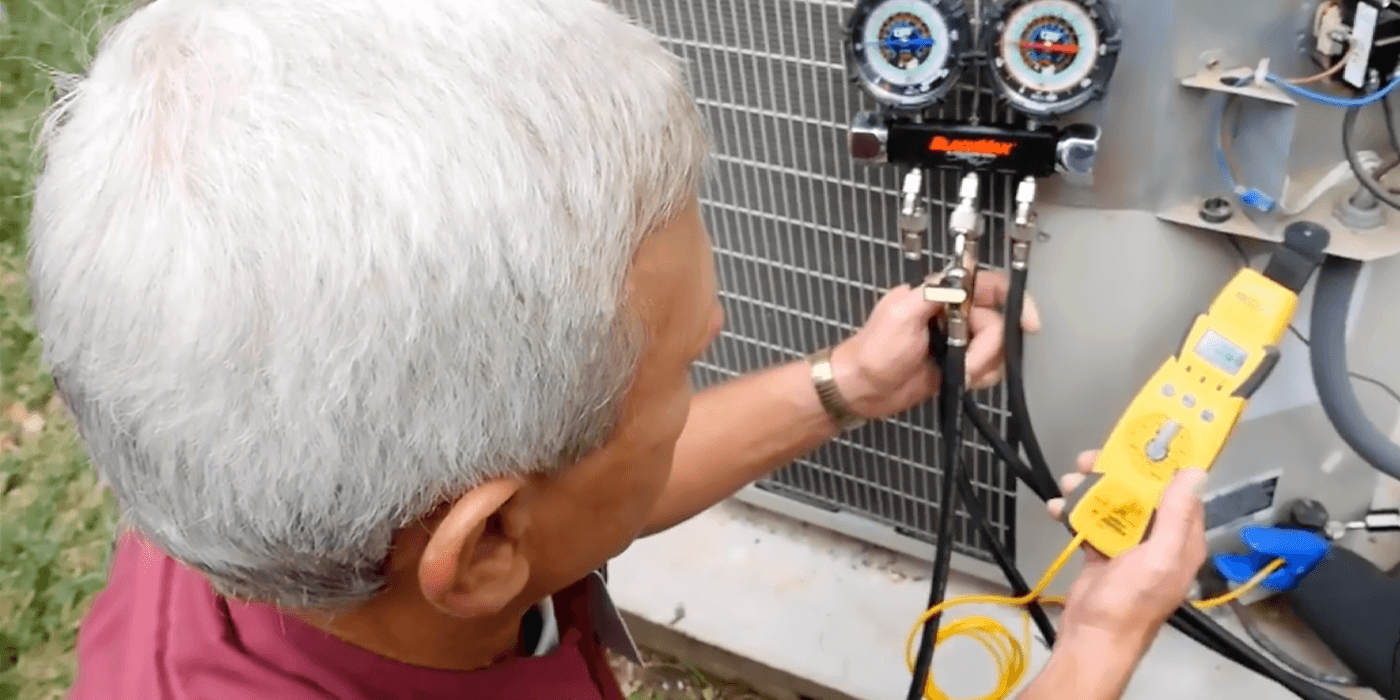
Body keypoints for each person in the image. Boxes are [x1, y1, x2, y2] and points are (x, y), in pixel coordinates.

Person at [27, 0, 1207, 699]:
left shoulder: (248, 449)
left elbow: (580, 498)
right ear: (480, 543)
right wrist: (1094, 643)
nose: (720, 337)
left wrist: (844, 384)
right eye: (679, 368)